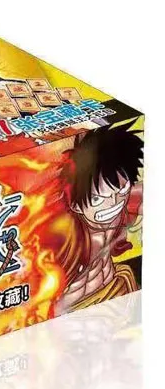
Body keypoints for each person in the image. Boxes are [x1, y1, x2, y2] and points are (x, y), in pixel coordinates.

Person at [55, 126, 143, 314]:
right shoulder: (71, 238)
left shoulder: (122, 204)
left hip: (117, 289)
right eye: (97, 199)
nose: (113, 202)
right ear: (76, 205)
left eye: (121, 189)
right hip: (77, 311)